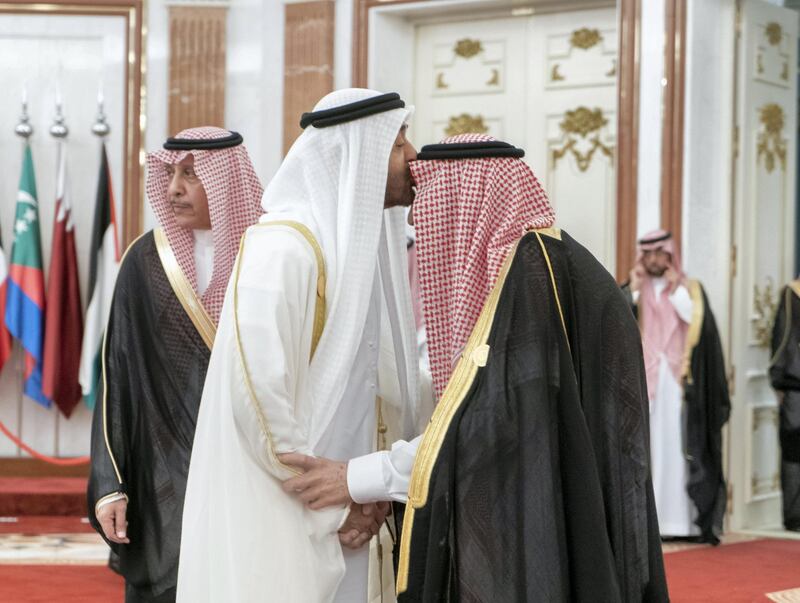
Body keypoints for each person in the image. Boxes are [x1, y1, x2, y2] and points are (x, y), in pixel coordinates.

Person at [285, 134, 669, 602]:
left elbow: (486, 428)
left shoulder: (526, 281)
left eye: (429, 207)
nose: (420, 224)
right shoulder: (547, 260)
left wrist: (356, 477)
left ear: (466, 204)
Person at [177, 89, 427, 603]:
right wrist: (334, 503)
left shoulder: (362, 250)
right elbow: (260, 399)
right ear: (356, 154)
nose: (413, 156)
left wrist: (370, 489)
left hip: (357, 509)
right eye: (399, 141)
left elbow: (385, 385)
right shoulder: (282, 248)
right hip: (291, 509)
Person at [87, 127, 264, 602]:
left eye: (192, 174)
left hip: (250, 470)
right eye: (170, 174)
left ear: (226, 181)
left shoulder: (269, 256)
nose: (174, 189)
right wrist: (110, 483)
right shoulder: (144, 260)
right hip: (161, 473)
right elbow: (117, 377)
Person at [624, 229, 730, 543]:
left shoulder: (689, 290)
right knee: (648, 449)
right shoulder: (634, 289)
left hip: (677, 386)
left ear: (671, 255)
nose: (654, 260)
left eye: (660, 253)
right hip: (645, 384)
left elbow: (698, 325)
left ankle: (684, 523)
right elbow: (618, 322)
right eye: (649, 254)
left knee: (680, 449)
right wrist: (632, 288)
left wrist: (674, 289)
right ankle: (648, 522)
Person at [769, 278, 800, 532]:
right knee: (794, 449)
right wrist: (779, 379)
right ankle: (794, 515)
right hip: (796, 386)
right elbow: (783, 337)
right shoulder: (793, 294)